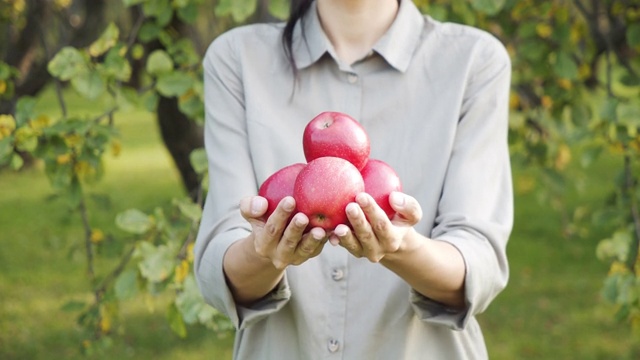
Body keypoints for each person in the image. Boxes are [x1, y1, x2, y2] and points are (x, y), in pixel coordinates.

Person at [194, 0, 513, 358]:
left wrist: (401, 248)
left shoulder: (474, 60)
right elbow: (219, 270)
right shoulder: (237, 58)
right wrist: (263, 252)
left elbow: (477, 266)